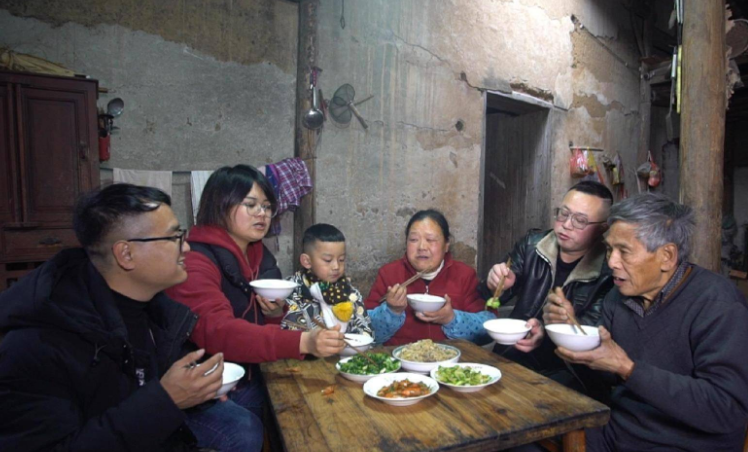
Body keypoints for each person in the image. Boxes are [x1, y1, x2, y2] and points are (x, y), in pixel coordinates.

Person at [0, 184, 224, 451]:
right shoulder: (36, 344)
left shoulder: (153, 310)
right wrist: (166, 400)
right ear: (126, 254)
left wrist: (196, 387)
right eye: (174, 236)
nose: (186, 247)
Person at [166, 165, 345, 451]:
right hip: (198, 389)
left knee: (307, 396)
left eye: (266, 206)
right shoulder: (196, 260)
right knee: (244, 430)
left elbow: (263, 325)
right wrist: (304, 341)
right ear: (220, 205)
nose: (262, 213)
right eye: (250, 205)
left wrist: (274, 314)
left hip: (246, 374)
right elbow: (217, 331)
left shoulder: (259, 255)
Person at [556, 193, 748, 452]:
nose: (611, 262)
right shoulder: (617, 297)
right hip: (618, 433)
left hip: (686, 445)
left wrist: (628, 369)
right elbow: (606, 381)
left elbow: (726, 409)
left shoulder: (718, 304)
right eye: (610, 249)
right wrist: (575, 340)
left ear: (667, 256)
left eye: (624, 251)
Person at [482, 180, 614, 392]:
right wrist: (497, 285)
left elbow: (596, 337)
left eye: (580, 220)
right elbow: (490, 298)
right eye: (563, 213)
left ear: (602, 228)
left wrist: (552, 330)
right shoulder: (532, 245)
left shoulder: (609, 271)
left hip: (569, 375)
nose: (567, 224)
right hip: (512, 357)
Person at [364, 209, 491, 346]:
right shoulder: (389, 274)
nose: (422, 247)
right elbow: (365, 330)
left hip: (451, 358)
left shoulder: (464, 275)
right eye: (413, 240)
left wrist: (451, 319)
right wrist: (391, 311)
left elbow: (487, 328)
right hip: (398, 357)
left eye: (430, 240)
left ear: (446, 245)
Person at [281, 224, 373, 337]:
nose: (336, 266)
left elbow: (366, 333)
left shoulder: (349, 292)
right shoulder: (289, 292)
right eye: (328, 260)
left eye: (341, 259)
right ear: (307, 261)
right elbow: (287, 336)